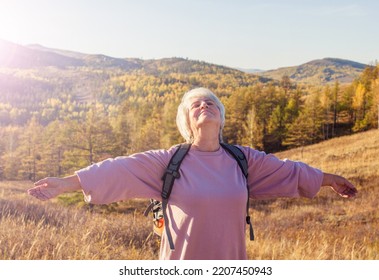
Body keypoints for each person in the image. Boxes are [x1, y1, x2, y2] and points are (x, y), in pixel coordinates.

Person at [28, 87, 357, 260]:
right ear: (186, 121)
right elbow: (118, 169)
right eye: (196, 104)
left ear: (221, 116)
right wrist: (65, 184)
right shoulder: (168, 161)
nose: (205, 105)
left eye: (211, 102)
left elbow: (289, 172)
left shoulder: (243, 160)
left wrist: (329, 180)